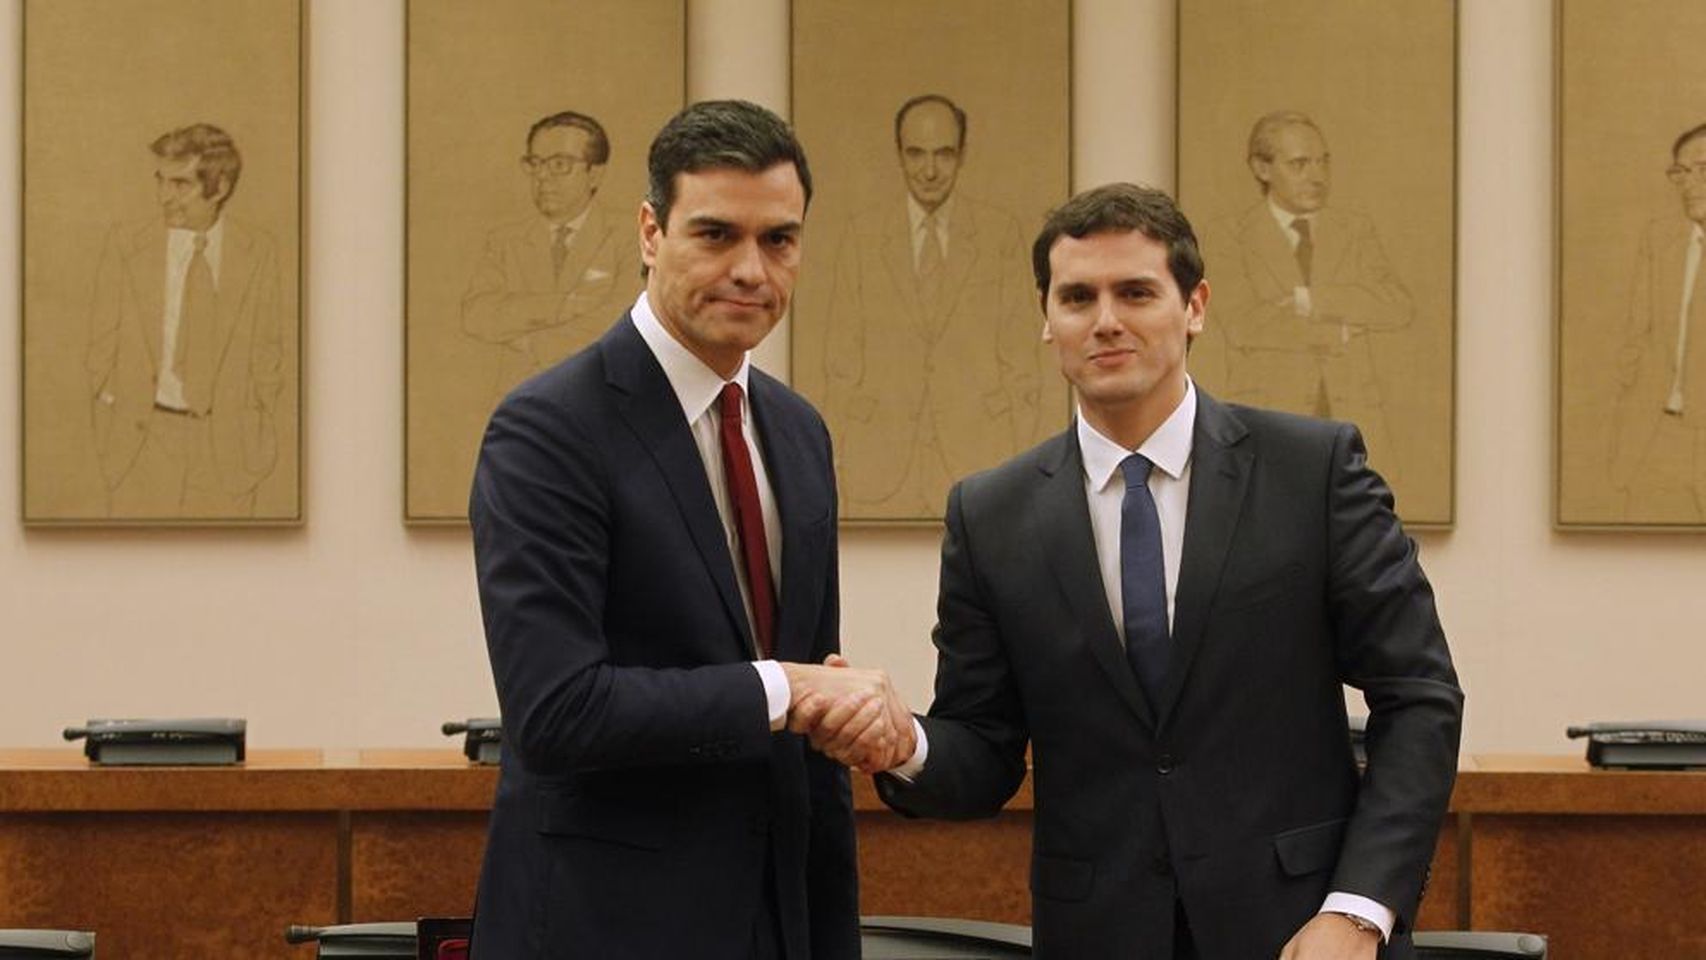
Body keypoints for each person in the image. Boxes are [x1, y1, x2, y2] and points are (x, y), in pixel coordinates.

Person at [827, 183, 1461, 958]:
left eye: (1135, 292)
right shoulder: (990, 515)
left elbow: (1419, 696)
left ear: (1194, 306)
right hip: (1100, 933)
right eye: (1077, 297)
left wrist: (1359, 910)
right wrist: (903, 746)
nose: (1105, 320)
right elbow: (986, 750)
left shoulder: (1311, 471)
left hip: (1305, 931)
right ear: (1046, 319)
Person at [467, 100, 908, 960]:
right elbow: (556, 711)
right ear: (650, 232)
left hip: (781, 919)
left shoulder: (799, 432)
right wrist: (781, 689)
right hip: (606, 927)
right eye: (715, 234)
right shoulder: (548, 428)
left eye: (779, 240)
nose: (750, 269)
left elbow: (809, 721)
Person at [820, 94, 1045, 517]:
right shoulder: (862, 236)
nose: (929, 170)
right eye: (916, 153)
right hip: (879, 460)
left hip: (981, 457)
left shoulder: (999, 235)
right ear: (898, 154)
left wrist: (1020, 460)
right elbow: (840, 363)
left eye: (943, 154)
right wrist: (838, 455)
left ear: (962, 154)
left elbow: (1022, 362)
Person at [85, 122, 284, 518]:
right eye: (161, 181)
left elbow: (269, 350)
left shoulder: (258, 251)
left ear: (220, 187)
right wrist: (111, 409)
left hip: (229, 454)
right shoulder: (126, 245)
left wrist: (257, 418)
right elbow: (99, 349)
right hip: (140, 447)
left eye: (180, 184)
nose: (164, 197)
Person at [1203, 111, 1411, 482]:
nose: (1317, 176)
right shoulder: (1230, 235)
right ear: (1262, 168)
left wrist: (1309, 300)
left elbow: (1396, 306)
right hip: (1268, 423)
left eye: (1323, 162)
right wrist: (1340, 332)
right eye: (1300, 164)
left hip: (1354, 421)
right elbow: (1244, 325)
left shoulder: (1354, 229)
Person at [461, 110, 640, 406]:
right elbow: (477, 314)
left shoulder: (631, 237)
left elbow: (623, 321)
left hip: (605, 402)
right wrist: (561, 305)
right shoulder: (505, 240)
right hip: (521, 403)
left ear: (594, 173)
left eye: (559, 164)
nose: (542, 177)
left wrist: (531, 342)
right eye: (535, 163)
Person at [1610, 121, 1706, 521]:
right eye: (1681, 172)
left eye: (1703, 169)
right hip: (1660, 433)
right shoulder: (1660, 239)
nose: (1689, 184)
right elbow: (1635, 338)